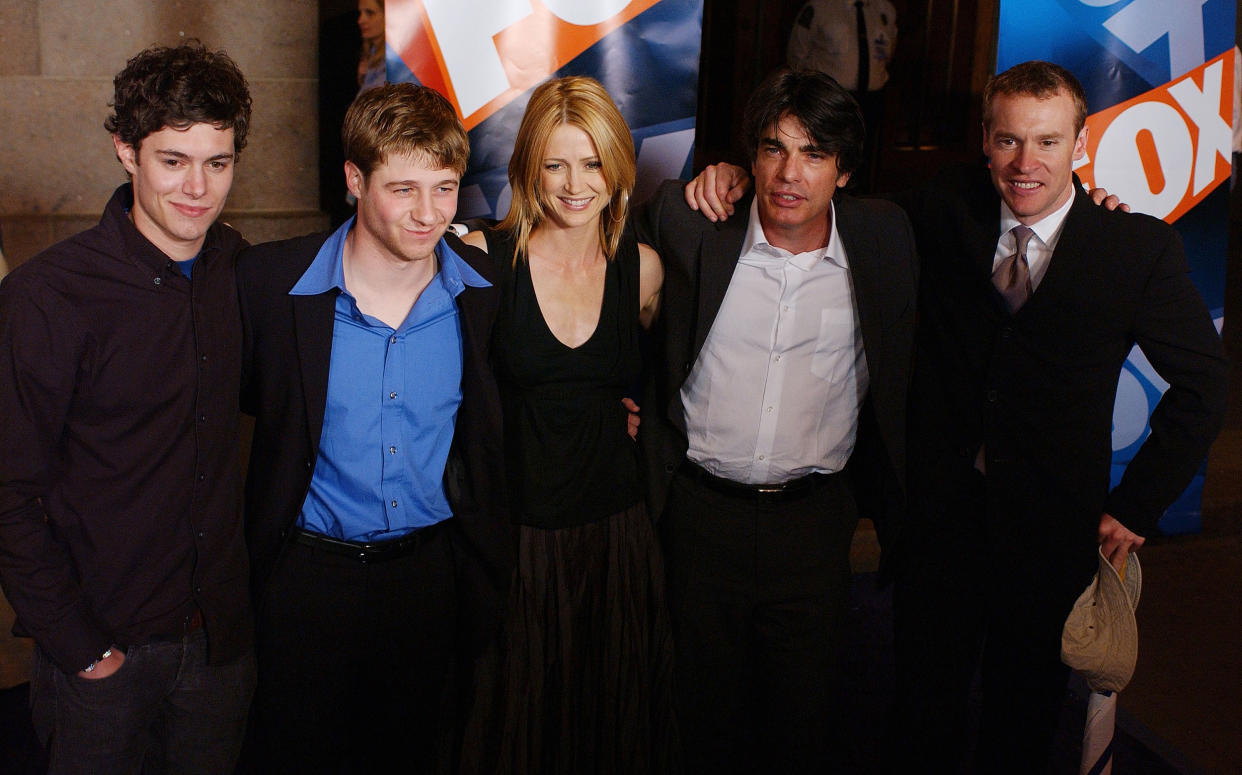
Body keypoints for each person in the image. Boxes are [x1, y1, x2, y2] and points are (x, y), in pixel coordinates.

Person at [886, 59, 1228, 772]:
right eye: (1009, 140)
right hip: (942, 519)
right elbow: (839, 220)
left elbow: (1205, 382)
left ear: (1080, 145)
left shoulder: (1134, 248)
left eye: (1046, 142)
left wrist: (1136, 505)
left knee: (1024, 716)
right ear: (985, 138)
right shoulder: (943, 205)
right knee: (921, 711)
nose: (1025, 162)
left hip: (1049, 533)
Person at [632, 68, 917, 774]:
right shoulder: (688, 219)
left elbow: (1001, 215)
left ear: (845, 170)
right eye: (773, 148)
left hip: (814, 522)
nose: (790, 173)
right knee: (694, 714)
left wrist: (1087, 204)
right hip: (698, 513)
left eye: (814, 153)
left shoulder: (885, 238)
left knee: (800, 720)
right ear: (749, 157)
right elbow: (601, 284)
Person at [236, 82, 509, 774]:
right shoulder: (272, 283)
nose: (428, 214)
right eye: (404, 189)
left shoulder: (481, 289)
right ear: (355, 180)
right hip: (304, 579)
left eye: (444, 189)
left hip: (429, 578)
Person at [0, 42, 255, 774]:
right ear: (125, 150)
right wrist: (82, 650)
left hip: (220, 651)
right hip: (101, 661)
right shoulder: (47, 298)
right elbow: (8, 492)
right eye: (173, 160)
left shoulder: (238, 269)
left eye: (218, 162)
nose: (198, 188)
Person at [459, 75, 675, 774]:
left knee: (608, 731)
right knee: (514, 734)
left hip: (616, 536)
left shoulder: (642, 271)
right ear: (528, 169)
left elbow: (652, 384)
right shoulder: (484, 261)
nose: (574, 184)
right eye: (554, 163)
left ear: (616, 168)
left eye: (591, 163)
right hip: (517, 539)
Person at [787, 0, 897, 191]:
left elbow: (887, 54)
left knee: (866, 159)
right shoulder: (819, 7)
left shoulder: (884, 9)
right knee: (827, 154)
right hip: (830, 100)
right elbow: (797, 55)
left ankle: (862, 202)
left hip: (872, 97)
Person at [356, 0, 386, 92]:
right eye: (360, 13)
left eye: (369, 13)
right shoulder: (371, 54)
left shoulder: (395, 60)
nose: (361, 20)